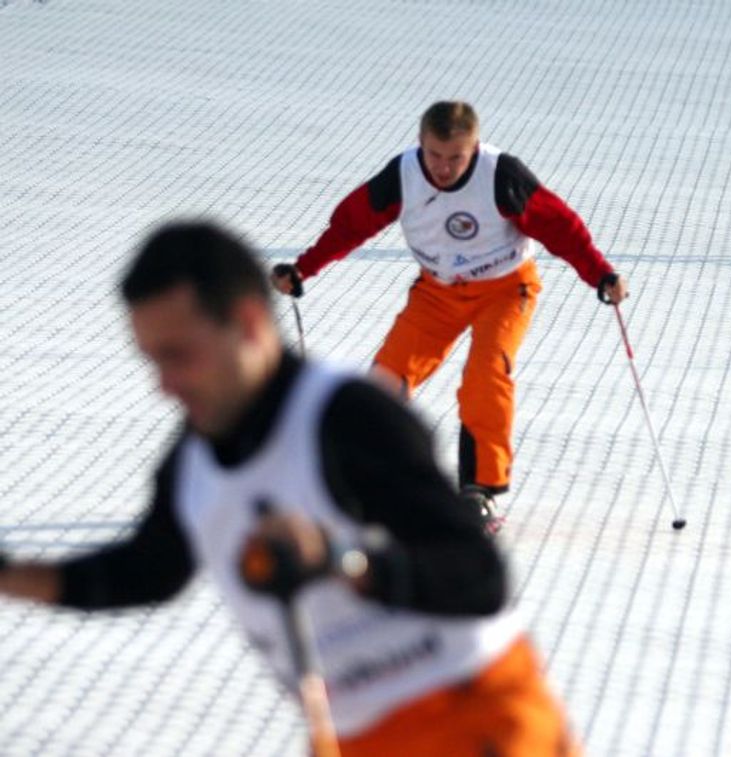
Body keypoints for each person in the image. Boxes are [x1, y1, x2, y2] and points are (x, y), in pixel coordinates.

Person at [0, 222, 579, 756]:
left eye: (179, 356)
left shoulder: (347, 418)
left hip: (475, 716)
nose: (164, 385)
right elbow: (149, 569)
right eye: (153, 360)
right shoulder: (194, 459)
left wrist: (339, 561)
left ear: (249, 324)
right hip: (356, 736)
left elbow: (479, 576)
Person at [271, 101, 628, 529]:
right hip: (438, 292)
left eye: (455, 157)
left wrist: (600, 273)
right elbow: (352, 224)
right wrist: (304, 268)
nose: (442, 168)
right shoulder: (402, 175)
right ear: (420, 142)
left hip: (504, 288)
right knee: (386, 380)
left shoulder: (501, 175)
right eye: (434, 155)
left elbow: (560, 227)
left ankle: (480, 490)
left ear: (473, 147)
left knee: (485, 374)